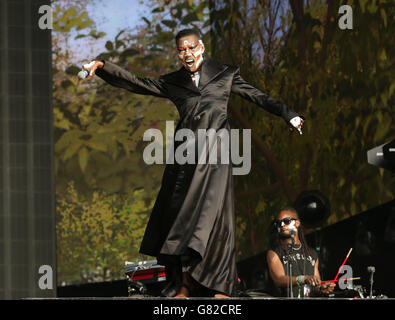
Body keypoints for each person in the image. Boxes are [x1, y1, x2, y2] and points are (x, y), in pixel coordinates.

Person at [82, 28, 305, 298]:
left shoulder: (225, 73)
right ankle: (185, 283)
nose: (187, 54)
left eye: (191, 48)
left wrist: (288, 114)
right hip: (186, 157)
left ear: (201, 46)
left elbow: (258, 96)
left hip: (217, 156)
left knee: (216, 220)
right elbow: (137, 83)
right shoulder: (174, 81)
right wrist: (104, 66)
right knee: (183, 220)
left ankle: (221, 286)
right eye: (181, 50)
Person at [266, 206, 335, 297]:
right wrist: (303, 279)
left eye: (287, 221)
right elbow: (279, 279)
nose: (282, 225)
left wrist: (322, 288)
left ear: (297, 223)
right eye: (278, 223)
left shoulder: (312, 253)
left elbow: (316, 285)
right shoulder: (274, 253)